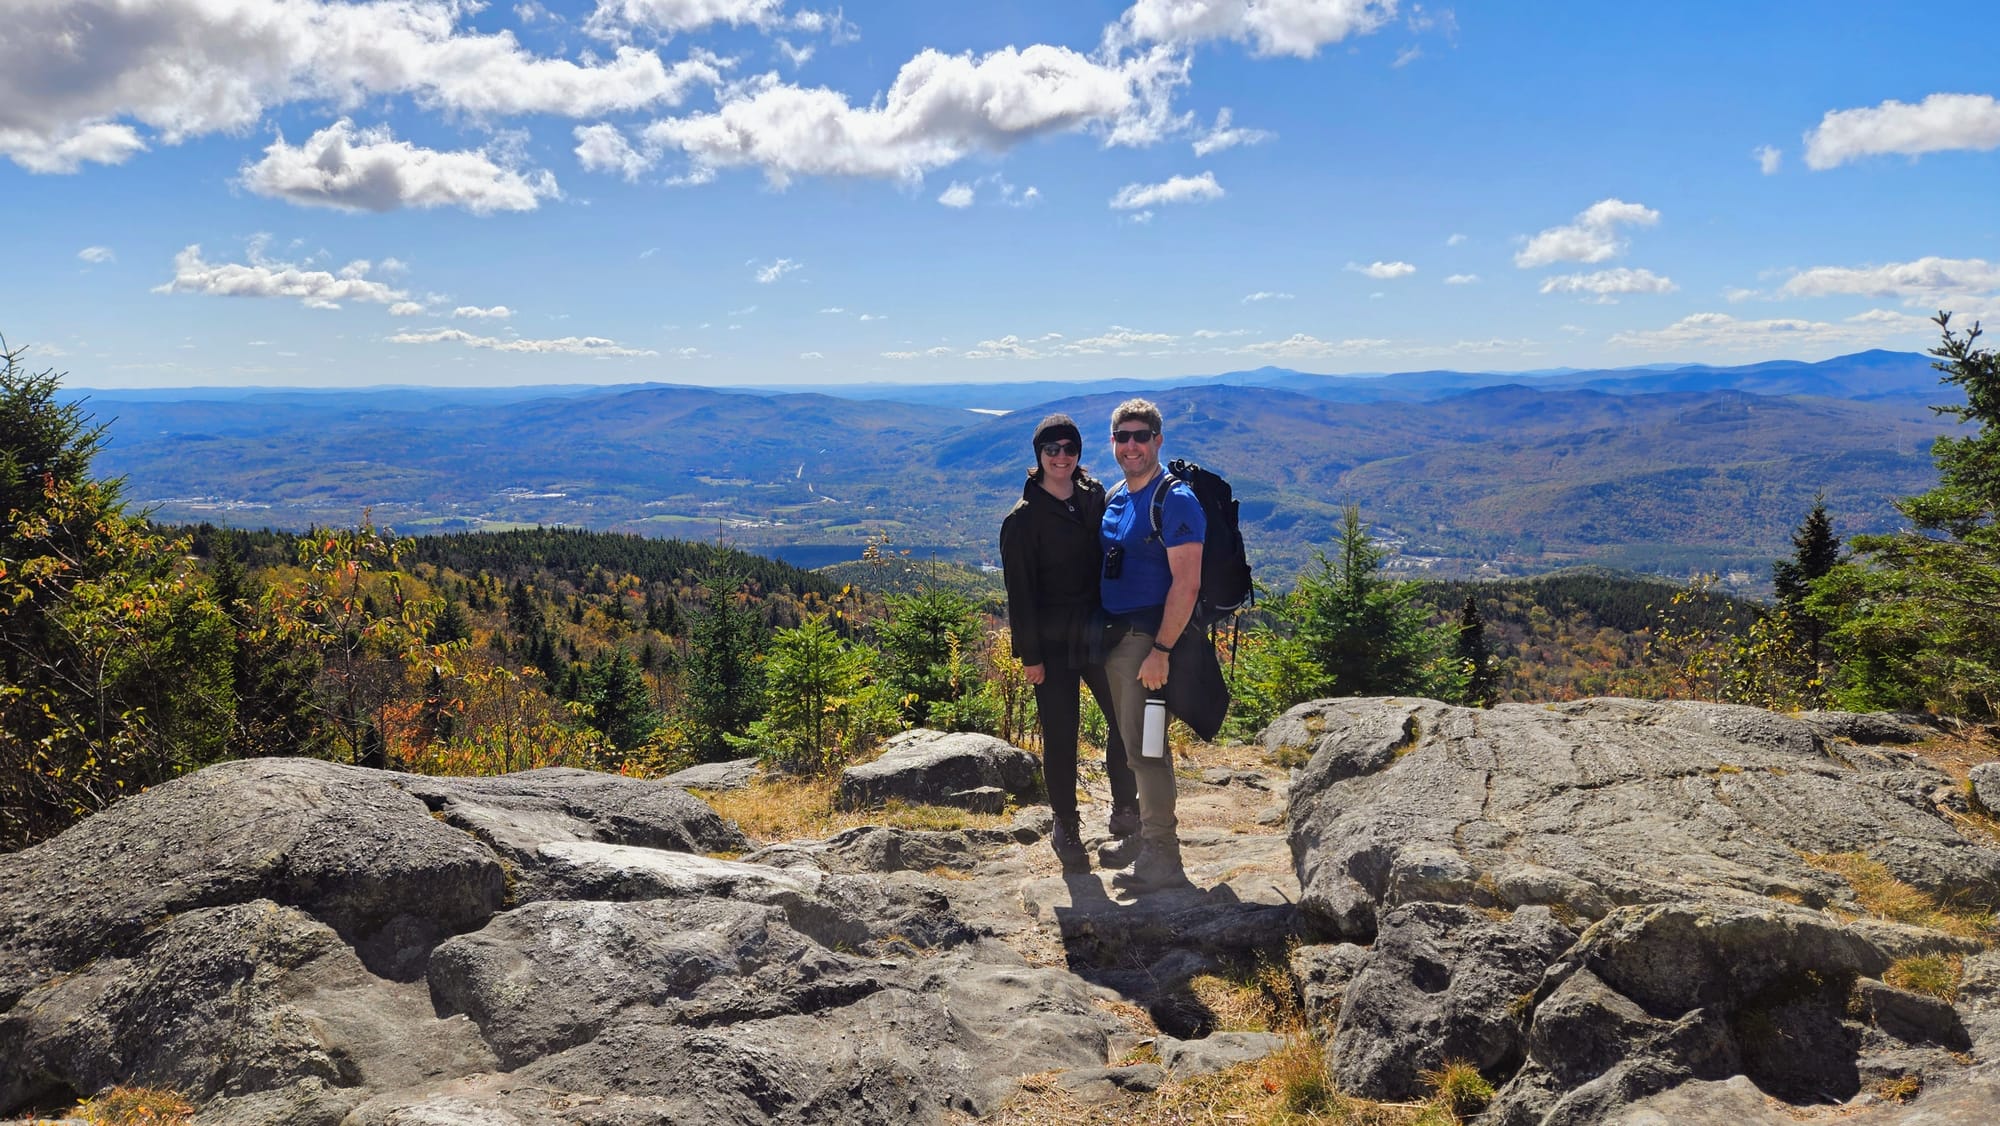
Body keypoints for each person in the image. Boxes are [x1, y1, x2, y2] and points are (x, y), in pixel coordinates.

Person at [1000, 413, 1140, 873]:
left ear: (1078, 453)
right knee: (1061, 736)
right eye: (1051, 450)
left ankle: (1126, 809)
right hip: (1053, 645)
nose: (1061, 457)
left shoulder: (1094, 498)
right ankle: (1066, 823)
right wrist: (1030, 656)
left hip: (1100, 632)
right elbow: (1019, 594)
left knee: (1125, 722)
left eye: (1069, 448)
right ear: (1038, 456)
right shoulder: (1022, 521)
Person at [1099, 398, 1204, 892]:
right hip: (1116, 643)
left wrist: (1162, 650)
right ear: (1113, 443)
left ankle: (1163, 853)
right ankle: (1145, 837)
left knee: (1146, 749)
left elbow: (1186, 584)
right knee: (1129, 743)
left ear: (1158, 440)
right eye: (1123, 437)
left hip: (1148, 646)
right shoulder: (1117, 495)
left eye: (1142, 436)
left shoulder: (1175, 499)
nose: (1132, 445)